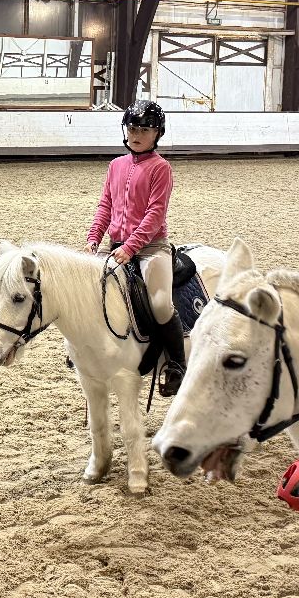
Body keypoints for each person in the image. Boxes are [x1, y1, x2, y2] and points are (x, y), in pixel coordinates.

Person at [85, 99, 187, 396]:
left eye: (145, 129)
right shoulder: (116, 165)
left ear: (157, 133)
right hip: (115, 245)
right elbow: (106, 205)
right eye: (132, 127)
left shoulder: (161, 168)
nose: (137, 134)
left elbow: (155, 216)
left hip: (151, 248)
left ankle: (177, 364)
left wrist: (131, 248)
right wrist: (94, 237)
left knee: (159, 304)